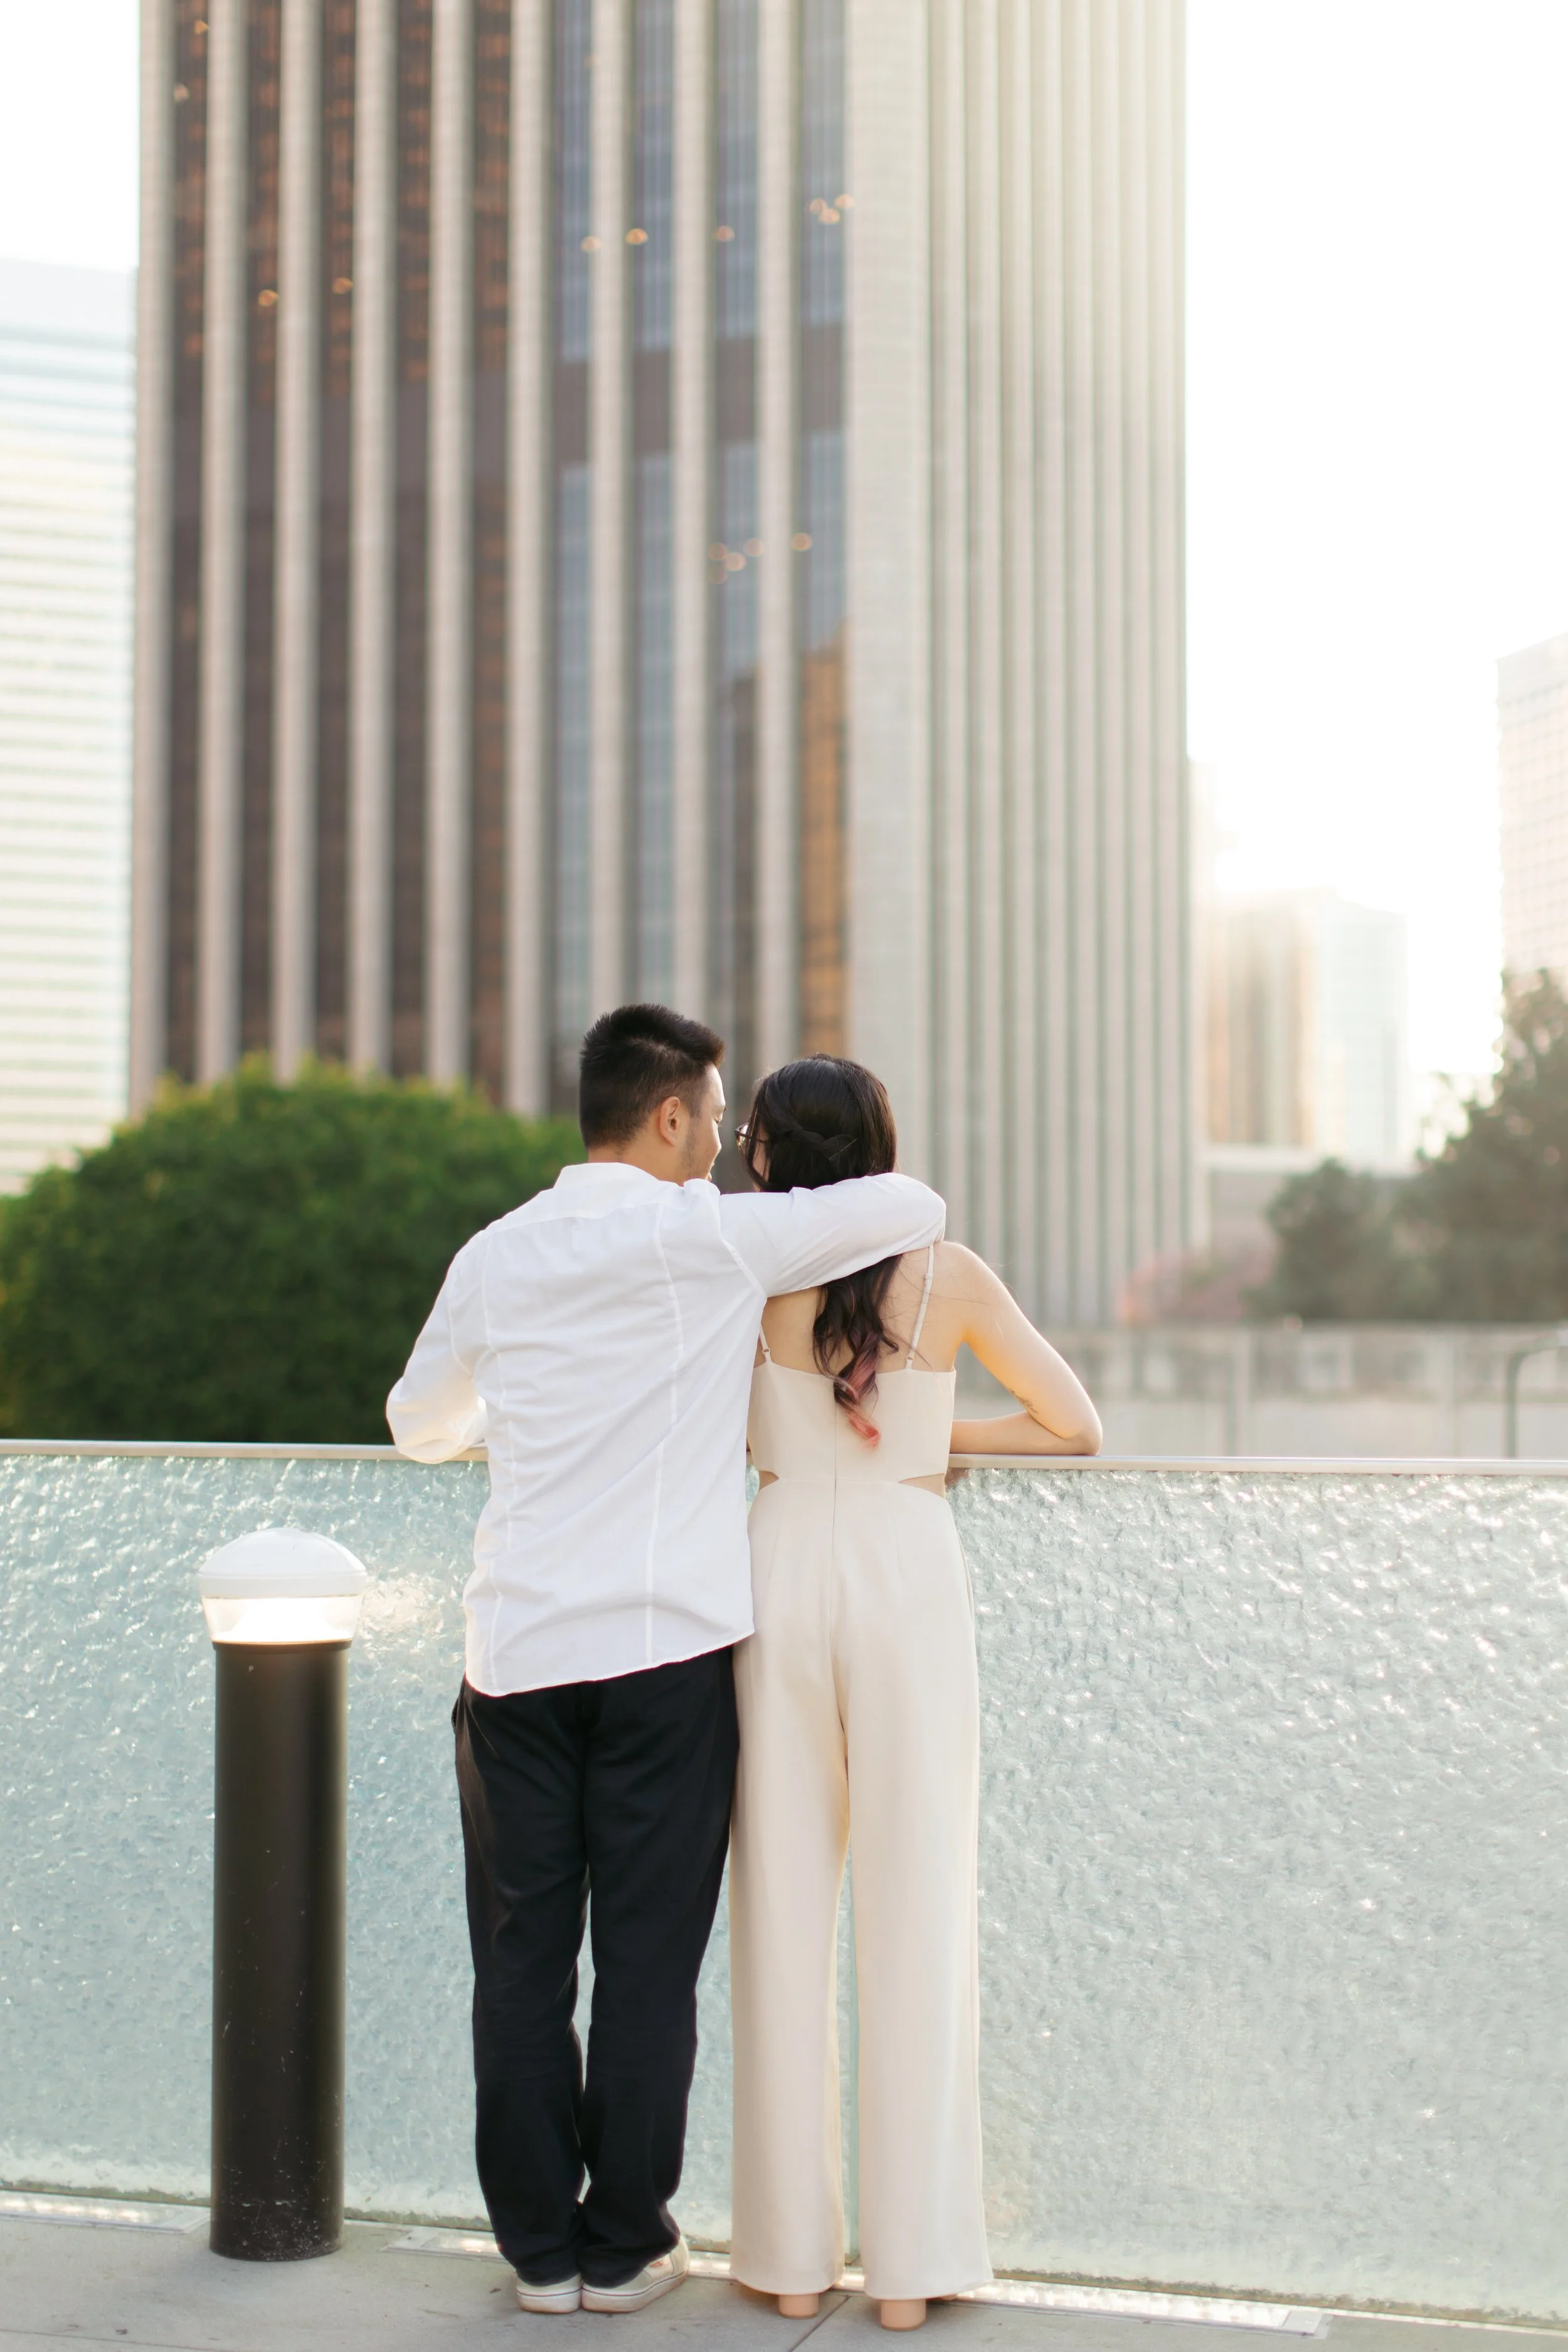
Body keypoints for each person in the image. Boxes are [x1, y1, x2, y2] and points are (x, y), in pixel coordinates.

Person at [386, 1007, 946, 2318]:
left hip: (514, 1655)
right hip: (663, 1660)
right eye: (708, 1119)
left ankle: (535, 2255)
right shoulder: (708, 1240)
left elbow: (420, 1424)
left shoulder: (494, 1255)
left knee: (523, 1962)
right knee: (643, 1962)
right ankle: (626, 2244)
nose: (717, 1144)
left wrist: (516, 1411)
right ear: (673, 1119)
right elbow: (907, 1200)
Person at [728, 1055, 1102, 2333]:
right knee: (916, 1907)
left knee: (779, 1909)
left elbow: (718, 1434)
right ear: (881, 1148)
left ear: (771, 1156)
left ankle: (783, 2263)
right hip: (903, 1564)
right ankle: (906, 2273)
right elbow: (1072, 1425)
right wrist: (936, 1433)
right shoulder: (949, 1274)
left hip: (773, 1568)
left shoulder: (746, 1274)